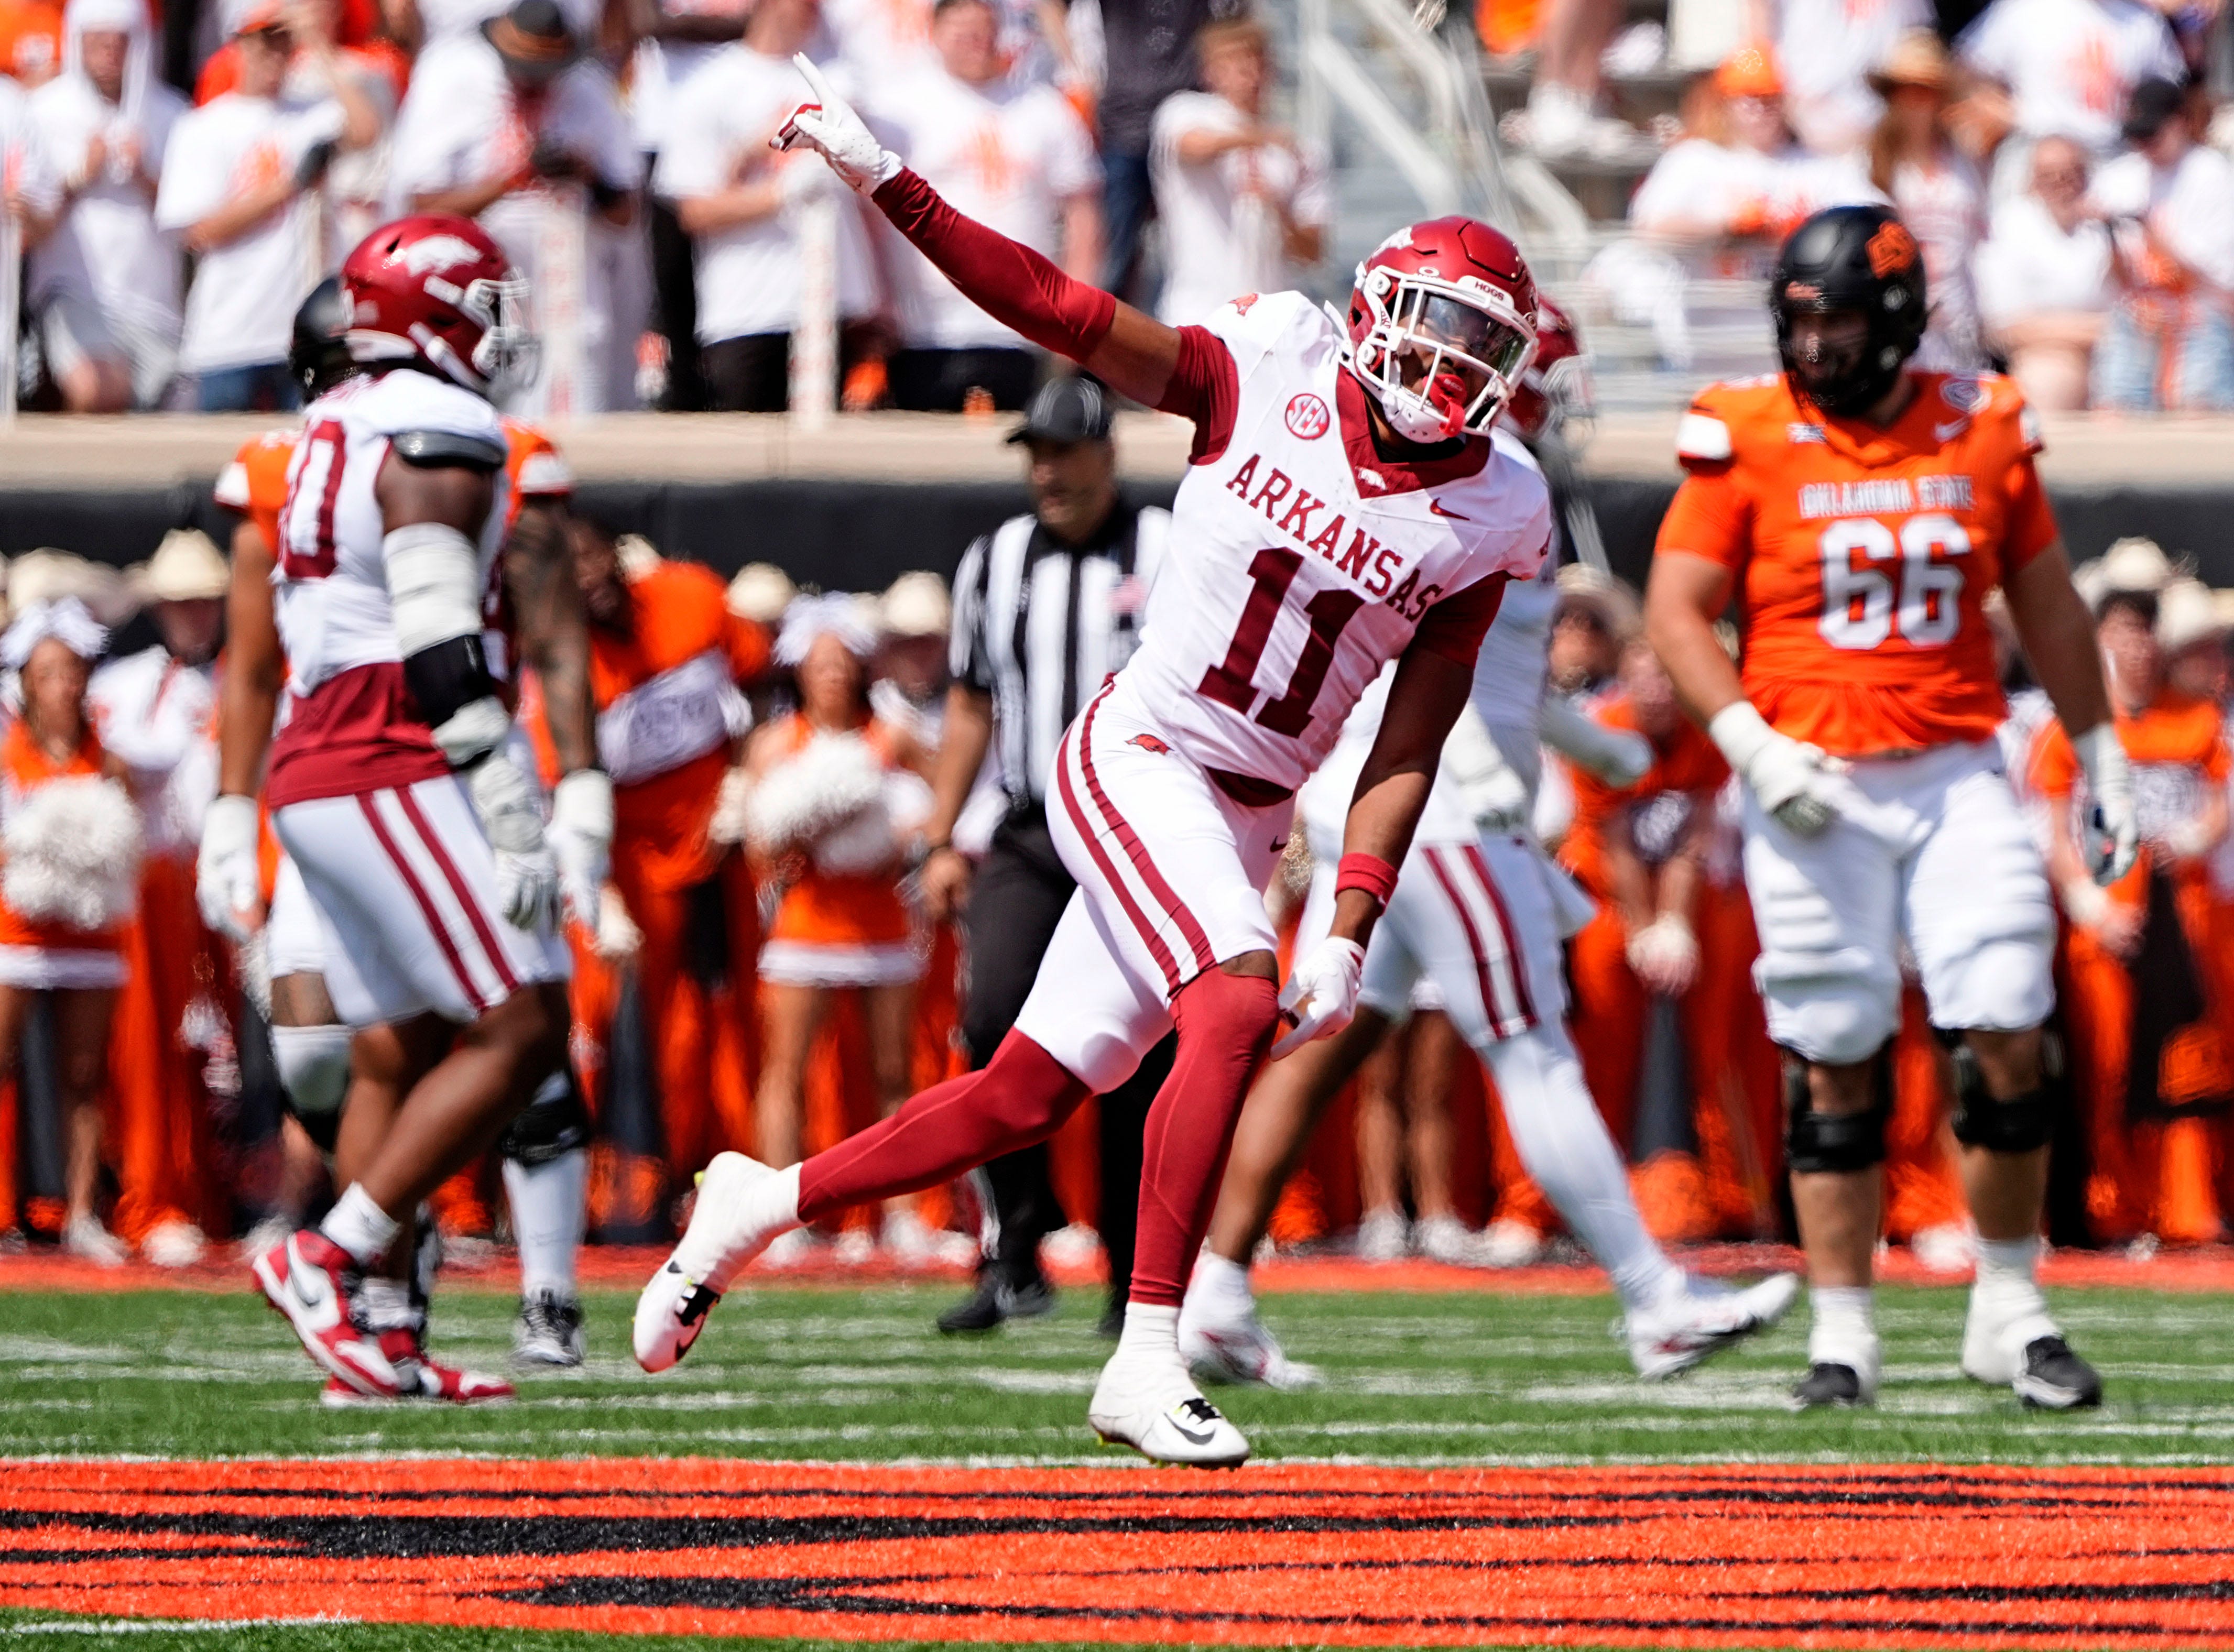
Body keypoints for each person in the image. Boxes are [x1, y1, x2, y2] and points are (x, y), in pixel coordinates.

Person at [636, 59, 1554, 1469]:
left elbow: (1408, 735)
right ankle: (1143, 1354)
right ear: (1372, 308)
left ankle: (761, 1201)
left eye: (1480, 354)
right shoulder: (1271, 360)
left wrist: (1353, 923)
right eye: (1433, 335)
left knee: (1021, 1094)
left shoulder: (1493, 510)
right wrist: (888, 179)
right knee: (1232, 996)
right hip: (1137, 750)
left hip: (1252, 812)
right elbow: (1055, 311)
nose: (1449, 375)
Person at [1175, 361, 1795, 1393]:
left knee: (1331, 1042)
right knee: (1533, 1050)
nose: (1555, 403)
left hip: (1390, 812)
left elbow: (1490, 675)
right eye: (1540, 374)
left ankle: (1214, 1294)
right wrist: (1468, 764)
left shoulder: (1463, 467)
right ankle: (1654, 1299)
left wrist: (1584, 752)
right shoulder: (1487, 473)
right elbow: (1415, 653)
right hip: (1441, 819)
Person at [1643, 203, 2137, 1410]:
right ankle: (1844, 1328)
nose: (1814, 350)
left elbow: (2051, 605)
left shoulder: (1981, 421)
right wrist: (1754, 749)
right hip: (1807, 785)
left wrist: (2101, 751)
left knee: (2010, 1020)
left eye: (1840, 323)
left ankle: (2008, 1305)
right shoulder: (1746, 430)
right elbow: (1674, 609)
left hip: (1955, 766)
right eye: (1799, 324)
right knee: (1833, 1051)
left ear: (1903, 319)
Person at [204, 275, 604, 1377]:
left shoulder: (420, 443)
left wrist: (580, 791)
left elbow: (553, 635)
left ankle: (469, 1305)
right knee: (466, 1031)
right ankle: (343, 1259)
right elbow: (288, 655)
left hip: (394, 758)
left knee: (414, 1042)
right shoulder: (392, 444)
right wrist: (229, 810)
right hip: (403, 758)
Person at [921, 376, 1173, 1336]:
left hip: (1137, 830)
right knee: (991, 1020)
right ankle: (1018, 1247)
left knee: (1135, 1058)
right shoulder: (996, 560)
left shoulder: (1167, 552)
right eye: (1035, 453)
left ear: (1106, 455)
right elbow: (971, 702)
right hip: (1031, 827)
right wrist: (942, 835)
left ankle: (1132, 1275)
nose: (1045, 471)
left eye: (1063, 452)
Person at [572, 509, 768, 1209]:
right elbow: (557, 788)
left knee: (729, 1027)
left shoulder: (689, 594)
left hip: (719, 850)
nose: (584, 578)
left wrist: (744, 781)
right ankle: (620, 1195)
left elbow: (760, 681)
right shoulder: (565, 662)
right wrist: (598, 887)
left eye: (589, 557)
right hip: (626, 867)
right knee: (611, 1027)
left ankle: (718, 1180)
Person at [2033, 579, 2231, 1246]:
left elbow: (2221, 799)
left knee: (2186, 1067)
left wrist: (2197, 836)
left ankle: (2183, 1210)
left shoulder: (2196, 718)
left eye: (2146, 631)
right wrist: (2090, 906)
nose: (2137, 647)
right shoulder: (2073, 724)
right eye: (2123, 631)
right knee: (2109, 1068)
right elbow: (2052, 827)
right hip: (2107, 923)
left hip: (2187, 926)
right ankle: (2114, 1207)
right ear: (2099, 640)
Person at [740, 596, 937, 1261]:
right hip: (806, 923)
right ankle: (775, 1217)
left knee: (893, 1072)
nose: (831, 676)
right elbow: (756, 843)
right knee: (785, 1070)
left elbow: (948, 803)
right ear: (799, 670)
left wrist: (910, 838)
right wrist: (789, 834)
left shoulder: (894, 735)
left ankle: (904, 1215)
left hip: (882, 918)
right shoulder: (776, 743)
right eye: (819, 665)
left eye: (842, 664)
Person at [386, 0, 645, 415]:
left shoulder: (588, 88)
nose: (536, 82)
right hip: (480, 298)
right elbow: (420, 206)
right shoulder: (453, 80)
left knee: (579, 410)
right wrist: (511, 181)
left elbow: (626, 212)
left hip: (569, 297)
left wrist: (587, 174)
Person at [88, 530, 231, 1268]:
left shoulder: (239, 678)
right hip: (151, 876)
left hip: (226, 877)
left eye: (205, 602)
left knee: (224, 1053)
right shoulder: (125, 682)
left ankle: (212, 1193)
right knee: (149, 1049)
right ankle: (151, 1199)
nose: (194, 616)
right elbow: (121, 761)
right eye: (182, 603)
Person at [869, 0, 1101, 411]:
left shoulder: (1043, 109)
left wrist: (1075, 313)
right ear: (934, 35)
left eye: (983, 32)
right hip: (924, 327)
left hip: (1021, 327)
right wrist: (878, 301)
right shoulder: (897, 111)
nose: (975, 44)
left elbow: (1084, 216)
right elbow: (867, 210)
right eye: (961, 33)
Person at [653, 0, 880, 411]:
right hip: (746, 308)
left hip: (834, 303)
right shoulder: (709, 88)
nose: (811, 10)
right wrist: (780, 194)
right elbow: (693, 211)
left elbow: (853, 122)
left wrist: (757, 147)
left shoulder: (836, 76)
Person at [154, 2, 382, 411]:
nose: (273, 55)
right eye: (262, 43)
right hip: (229, 335)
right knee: (220, 463)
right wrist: (287, 187)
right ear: (238, 46)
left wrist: (318, 42)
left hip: (302, 333)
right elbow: (199, 231)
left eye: (282, 43)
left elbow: (367, 129)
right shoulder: (203, 126)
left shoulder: (308, 113)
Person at [0, 599, 140, 1264]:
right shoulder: (7, 748)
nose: (64, 682)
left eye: (74, 669)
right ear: (27, 678)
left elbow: (125, 841)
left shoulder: (107, 754)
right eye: (50, 669)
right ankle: (5, 1212)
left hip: (90, 939)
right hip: (17, 933)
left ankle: (84, 1214)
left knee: (85, 1076)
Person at [25, 0, 184, 411]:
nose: (110, 54)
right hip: (74, 289)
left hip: (152, 298)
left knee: (164, 405)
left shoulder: (172, 113)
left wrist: (146, 176)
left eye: (120, 43)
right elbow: (30, 215)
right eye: (98, 44)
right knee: (96, 388)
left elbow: (193, 218)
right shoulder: (42, 112)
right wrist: (82, 173)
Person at [1147, 15, 1326, 328]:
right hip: (1198, 314)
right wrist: (1259, 137)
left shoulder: (1299, 151)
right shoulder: (1185, 111)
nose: (1250, 75)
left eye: (1257, 62)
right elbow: (1193, 147)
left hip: (1270, 322)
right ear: (1210, 72)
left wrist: (1279, 211)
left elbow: (1314, 251)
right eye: (1235, 64)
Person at [2087, 78, 2234, 414]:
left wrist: (2147, 229)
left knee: (2199, 409)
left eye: (2153, 133)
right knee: (2113, 410)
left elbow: (2213, 281)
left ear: (2181, 121)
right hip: (2137, 316)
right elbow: (2113, 280)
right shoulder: (2118, 176)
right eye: (2138, 135)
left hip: (2200, 316)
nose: (2145, 144)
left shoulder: (2213, 174)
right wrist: (2107, 231)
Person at [1862, 32, 1986, 374]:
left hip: (1958, 320)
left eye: (1927, 90)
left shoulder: (1966, 160)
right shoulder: (1869, 165)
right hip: (1896, 321)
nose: (1916, 102)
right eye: (1905, 90)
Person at [1974, 136, 2112, 411]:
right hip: (2045, 352)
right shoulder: (2009, 226)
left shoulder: (2107, 226)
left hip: (2119, 353)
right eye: (2049, 175)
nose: (2062, 182)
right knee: (2049, 377)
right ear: (2032, 179)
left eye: (2071, 173)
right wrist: (2106, 331)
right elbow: (2005, 326)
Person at [1956, 0, 2181, 166]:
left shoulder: (2143, 22)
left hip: (2113, 161)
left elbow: (2169, 91)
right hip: (2036, 154)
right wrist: (2003, 111)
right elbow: (1966, 69)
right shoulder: (2023, 10)